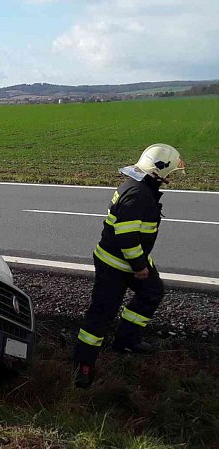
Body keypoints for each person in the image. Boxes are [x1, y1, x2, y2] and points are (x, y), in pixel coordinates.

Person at [74, 144, 186, 388]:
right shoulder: (138, 195)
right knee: (101, 313)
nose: (170, 179)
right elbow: (126, 237)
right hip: (115, 264)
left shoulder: (142, 187)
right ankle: (83, 366)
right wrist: (139, 266)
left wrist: (141, 262)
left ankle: (126, 339)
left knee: (152, 292)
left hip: (134, 259)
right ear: (160, 172)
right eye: (170, 173)